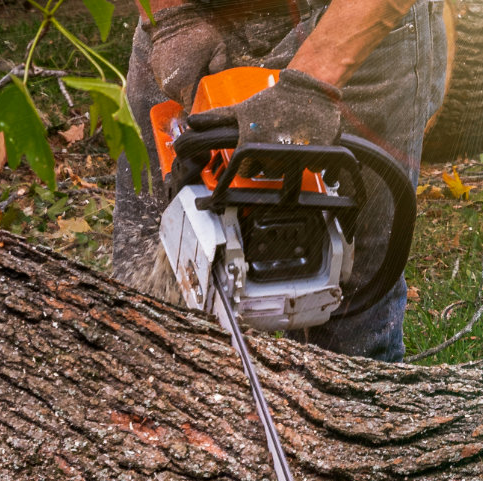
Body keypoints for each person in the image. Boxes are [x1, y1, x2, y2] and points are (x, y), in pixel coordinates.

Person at [114, 0, 447, 362]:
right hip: (189, 20)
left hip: (345, 24)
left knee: (346, 316)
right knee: (146, 299)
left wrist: (311, 87)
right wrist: (171, 19)